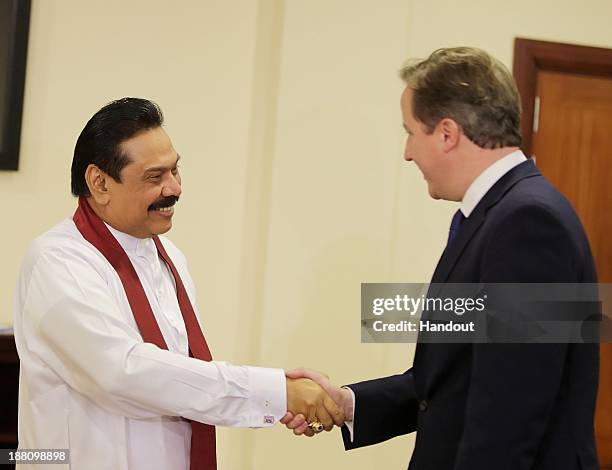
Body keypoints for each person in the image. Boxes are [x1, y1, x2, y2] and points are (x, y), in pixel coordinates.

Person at [283, 47, 600, 469]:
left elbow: (510, 410)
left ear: (447, 133)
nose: (408, 153)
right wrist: (349, 404)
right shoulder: (495, 217)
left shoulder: (528, 223)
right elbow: (452, 380)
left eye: (411, 132)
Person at [13, 98, 343, 470]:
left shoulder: (169, 257)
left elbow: (179, 378)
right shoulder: (57, 261)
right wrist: (274, 393)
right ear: (100, 182)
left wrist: (276, 396)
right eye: (155, 177)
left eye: (175, 171)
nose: (175, 189)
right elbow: (124, 374)